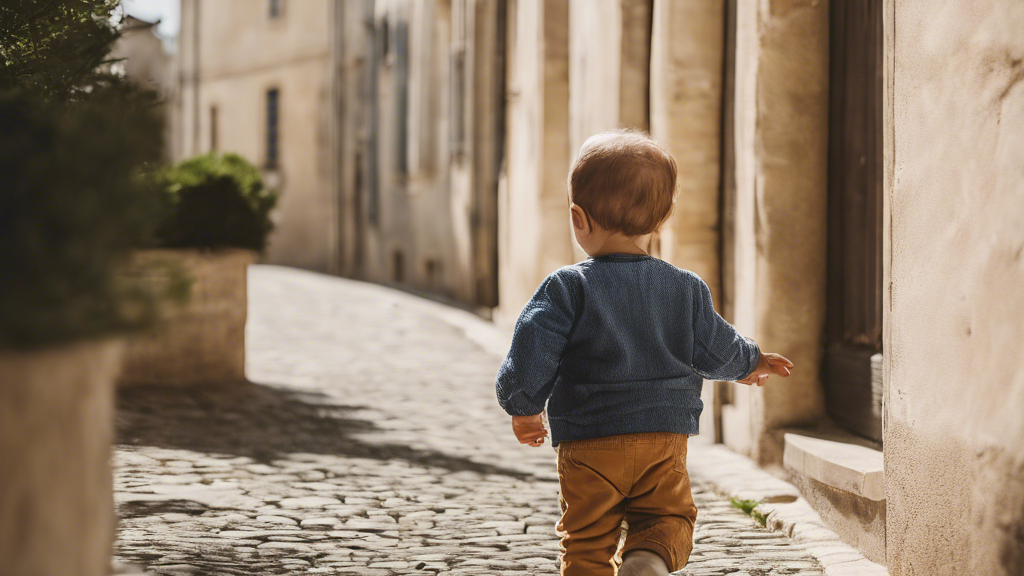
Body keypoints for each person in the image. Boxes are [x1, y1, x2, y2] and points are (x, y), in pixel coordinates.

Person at [495, 129, 794, 576]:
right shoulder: (686, 288)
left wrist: (524, 408)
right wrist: (752, 362)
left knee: (587, 540)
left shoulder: (567, 286)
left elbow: (533, 349)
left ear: (579, 217)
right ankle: (646, 559)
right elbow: (716, 345)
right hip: (662, 438)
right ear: (662, 219)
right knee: (666, 519)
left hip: (590, 439)